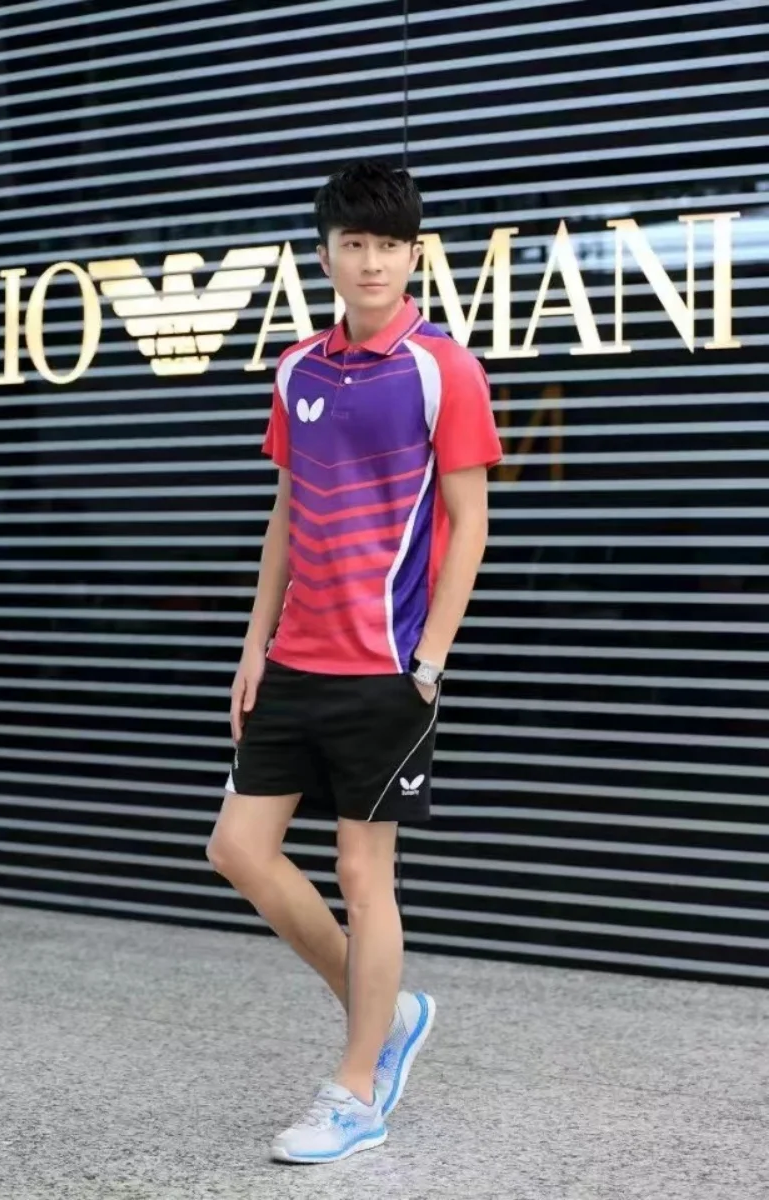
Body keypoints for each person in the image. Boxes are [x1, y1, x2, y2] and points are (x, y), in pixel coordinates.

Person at [206, 159, 501, 1164]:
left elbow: (469, 522)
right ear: (326, 254)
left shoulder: (442, 368)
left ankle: (357, 1088)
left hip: (385, 665)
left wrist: (431, 658)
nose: (371, 261)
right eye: (353, 243)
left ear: (413, 254)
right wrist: (254, 645)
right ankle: (388, 1009)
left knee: (361, 872)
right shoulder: (298, 368)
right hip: (296, 658)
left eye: (388, 244)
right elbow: (286, 515)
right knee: (238, 850)